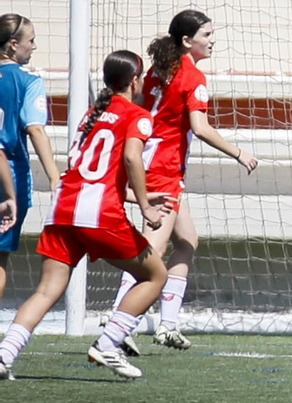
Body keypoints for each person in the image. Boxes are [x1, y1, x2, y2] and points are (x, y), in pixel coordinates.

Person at [0, 51, 170, 381]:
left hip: (64, 208)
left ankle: (5, 354)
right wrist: (147, 207)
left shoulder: (92, 114)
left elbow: (94, 174)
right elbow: (132, 160)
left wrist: (140, 197)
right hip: (99, 214)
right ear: (134, 81)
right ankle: (109, 343)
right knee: (155, 276)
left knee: (47, 290)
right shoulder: (137, 115)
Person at [106, 10, 258, 352]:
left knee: (187, 240)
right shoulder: (192, 78)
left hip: (150, 160)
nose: (213, 40)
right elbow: (200, 127)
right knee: (153, 248)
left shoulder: (159, 71)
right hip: (163, 168)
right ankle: (117, 320)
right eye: (207, 34)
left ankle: (168, 325)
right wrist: (238, 153)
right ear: (188, 41)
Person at [1, 14, 60, 308]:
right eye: (31, 40)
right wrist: (54, 177)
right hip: (7, 173)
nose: (34, 47)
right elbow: (35, 129)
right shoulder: (27, 82)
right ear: (13, 45)